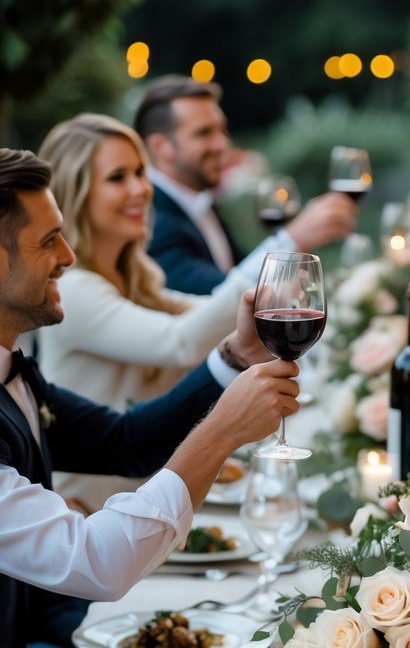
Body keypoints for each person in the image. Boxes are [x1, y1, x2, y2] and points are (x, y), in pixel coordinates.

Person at [0, 148, 299, 648]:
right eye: (48, 241)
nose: (69, 257)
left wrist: (232, 360)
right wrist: (219, 433)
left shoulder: (13, 370)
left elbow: (124, 440)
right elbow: (96, 563)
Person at [36, 113, 258, 510]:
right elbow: (182, 342)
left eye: (140, 172)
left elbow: (207, 314)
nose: (140, 188)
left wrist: (266, 306)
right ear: (76, 192)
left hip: (146, 509)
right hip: (87, 520)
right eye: (117, 177)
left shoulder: (139, 281)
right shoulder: (72, 287)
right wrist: (277, 259)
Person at [135, 75, 357, 294]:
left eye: (222, 130)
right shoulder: (151, 220)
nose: (222, 143)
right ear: (160, 146)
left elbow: (239, 271)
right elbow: (215, 299)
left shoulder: (199, 201)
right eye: (204, 133)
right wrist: (292, 239)